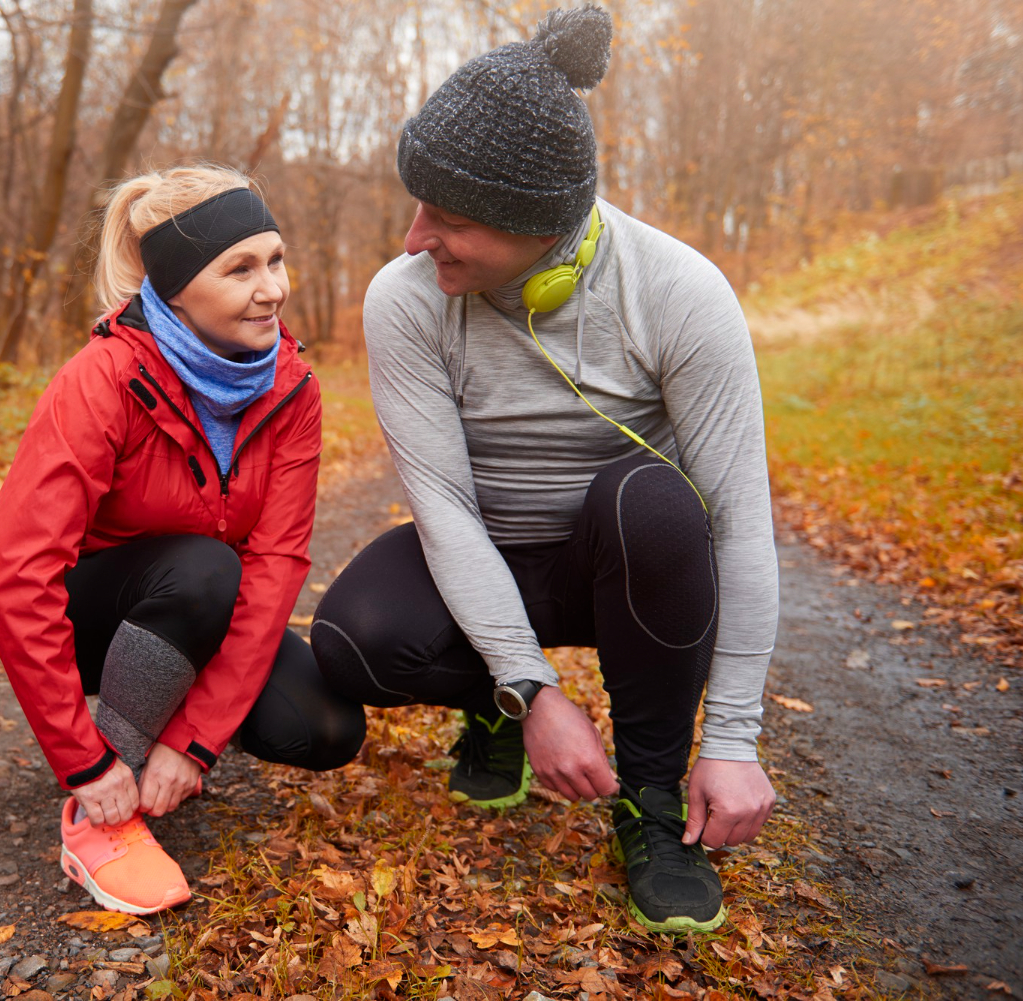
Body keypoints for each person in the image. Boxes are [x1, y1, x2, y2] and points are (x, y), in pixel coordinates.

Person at [309, 6, 780, 933]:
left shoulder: (679, 293)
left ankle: (649, 801)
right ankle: (492, 705)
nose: (412, 239)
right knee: (353, 637)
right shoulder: (404, 302)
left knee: (655, 502)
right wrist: (527, 686)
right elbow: (441, 504)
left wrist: (731, 739)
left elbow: (740, 522)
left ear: (540, 227)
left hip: (626, 568)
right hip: (488, 551)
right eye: (417, 207)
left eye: (446, 219)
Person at [0, 165, 364, 916]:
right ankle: (102, 814)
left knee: (325, 726)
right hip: (97, 618)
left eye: (276, 259)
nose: (273, 288)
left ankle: (155, 723)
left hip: (201, 604)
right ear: (178, 288)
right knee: (204, 568)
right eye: (241, 268)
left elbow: (277, 563)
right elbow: (17, 572)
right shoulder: (104, 379)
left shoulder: (293, 388)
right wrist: (83, 761)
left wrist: (194, 739)